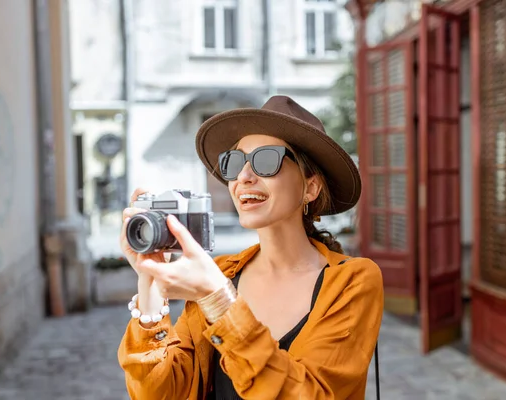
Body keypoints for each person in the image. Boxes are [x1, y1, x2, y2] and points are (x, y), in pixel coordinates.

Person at [117, 95, 384, 400]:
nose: (243, 177)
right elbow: (161, 393)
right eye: (234, 163)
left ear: (310, 187)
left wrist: (218, 299)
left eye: (266, 160)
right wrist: (150, 283)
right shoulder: (221, 273)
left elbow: (310, 393)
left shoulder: (352, 281)